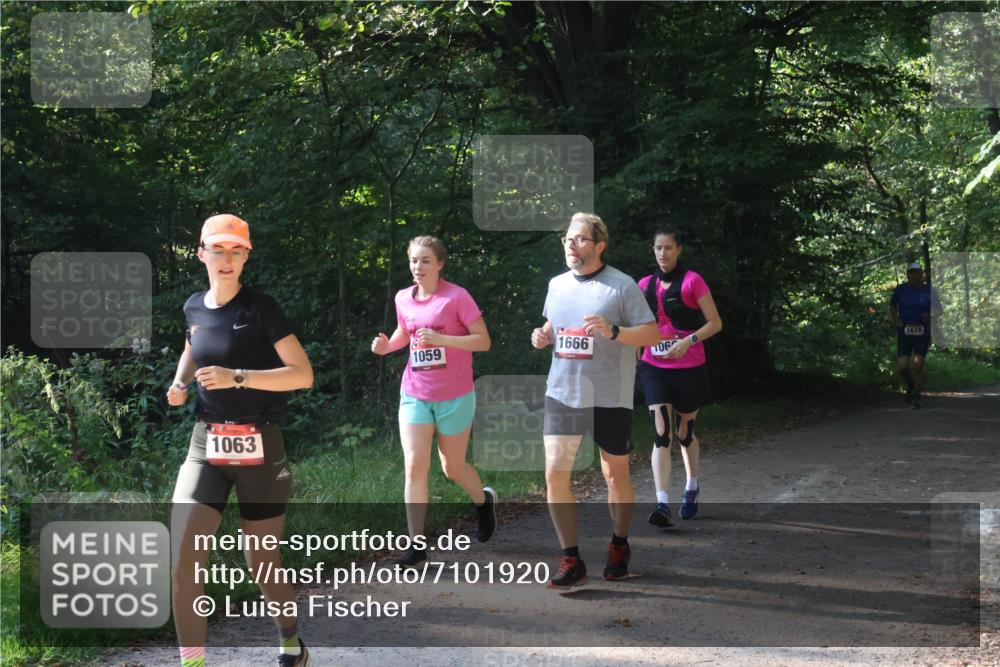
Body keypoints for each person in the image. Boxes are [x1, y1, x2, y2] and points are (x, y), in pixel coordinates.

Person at [167, 214, 315, 667]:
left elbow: (303, 375)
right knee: (181, 560)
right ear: (201, 253)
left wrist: (238, 377)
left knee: (263, 564)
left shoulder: (261, 309)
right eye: (218, 249)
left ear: (246, 255)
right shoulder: (194, 305)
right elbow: (194, 345)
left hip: (261, 446)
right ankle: (192, 662)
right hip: (205, 444)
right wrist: (178, 382)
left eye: (236, 250)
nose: (226, 259)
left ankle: (290, 641)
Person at [531, 212, 660, 589]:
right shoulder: (556, 285)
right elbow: (553, 328)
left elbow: (651, 334)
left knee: (613, 474)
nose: (571, 245)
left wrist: (614, 330)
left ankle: (619, 544)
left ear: (599, 245)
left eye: (580, 239)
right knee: (554, 472)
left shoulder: (621, 286)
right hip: (562, 392)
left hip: (609, 393)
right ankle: (570, 557)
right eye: (568, 240)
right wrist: (542, 336)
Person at [371, 235, 497, 567]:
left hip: (455, 395)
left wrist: (443, 338)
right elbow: (404, 332)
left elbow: (483, 342)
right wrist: (387, 346)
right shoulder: (403, 298)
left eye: (425, 260)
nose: (418, 267)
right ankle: (416, 544)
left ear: (439, 264)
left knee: (452, 467)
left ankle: (483, 502)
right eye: (414, 260)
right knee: (415, 466)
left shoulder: (457, 297)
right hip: (415, 393)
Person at [636, 229, 722, 528]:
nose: (663, 254)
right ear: (653, 250)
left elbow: (715, 322)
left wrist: (689, 341)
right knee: (661, 432)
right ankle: (661, 503)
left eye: (668, 248)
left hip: (690, 367)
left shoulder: (692, 281)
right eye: (658, 248)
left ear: (678, 250)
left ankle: (692, 486)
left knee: (685, 433)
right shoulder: (644, 284)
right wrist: (638, 342)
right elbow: (638, 322)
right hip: (654, 366)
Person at [890, 261, 941, 409]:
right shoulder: (901, 290)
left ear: (921, 274)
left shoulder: (929, 290)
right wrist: (896, 320)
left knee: (918, 362)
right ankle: (911, 384)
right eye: (910, 273)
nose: (913, 275)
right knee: (903, 366)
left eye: (916, 273)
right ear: (907, 275)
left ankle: (917, 394)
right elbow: (892, 305)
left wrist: (930, 317)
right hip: (905, 330)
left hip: (922, 330)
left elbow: (939, 310)